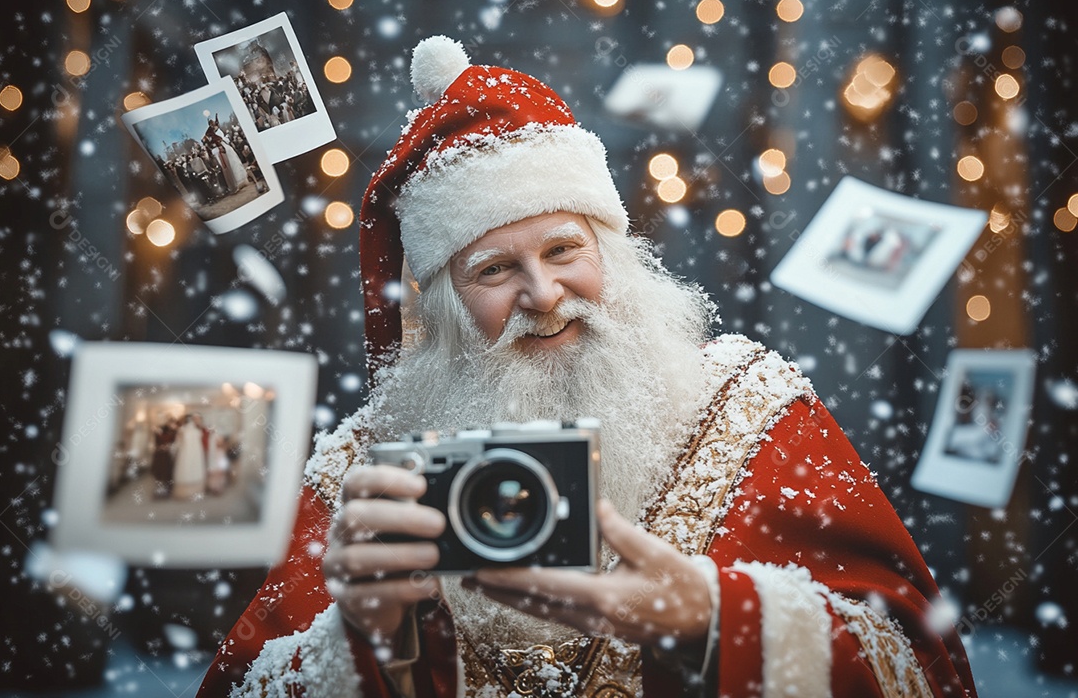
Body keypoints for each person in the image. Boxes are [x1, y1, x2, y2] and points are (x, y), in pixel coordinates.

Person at [199, 37, 976, 698]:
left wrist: (712, 617)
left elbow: (921, 665)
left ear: (614, 253)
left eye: (565, 250)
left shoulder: (754, 408)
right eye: (495, 270)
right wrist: (362, 642)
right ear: (441, 306)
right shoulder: (360, 472)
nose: (544, 294)